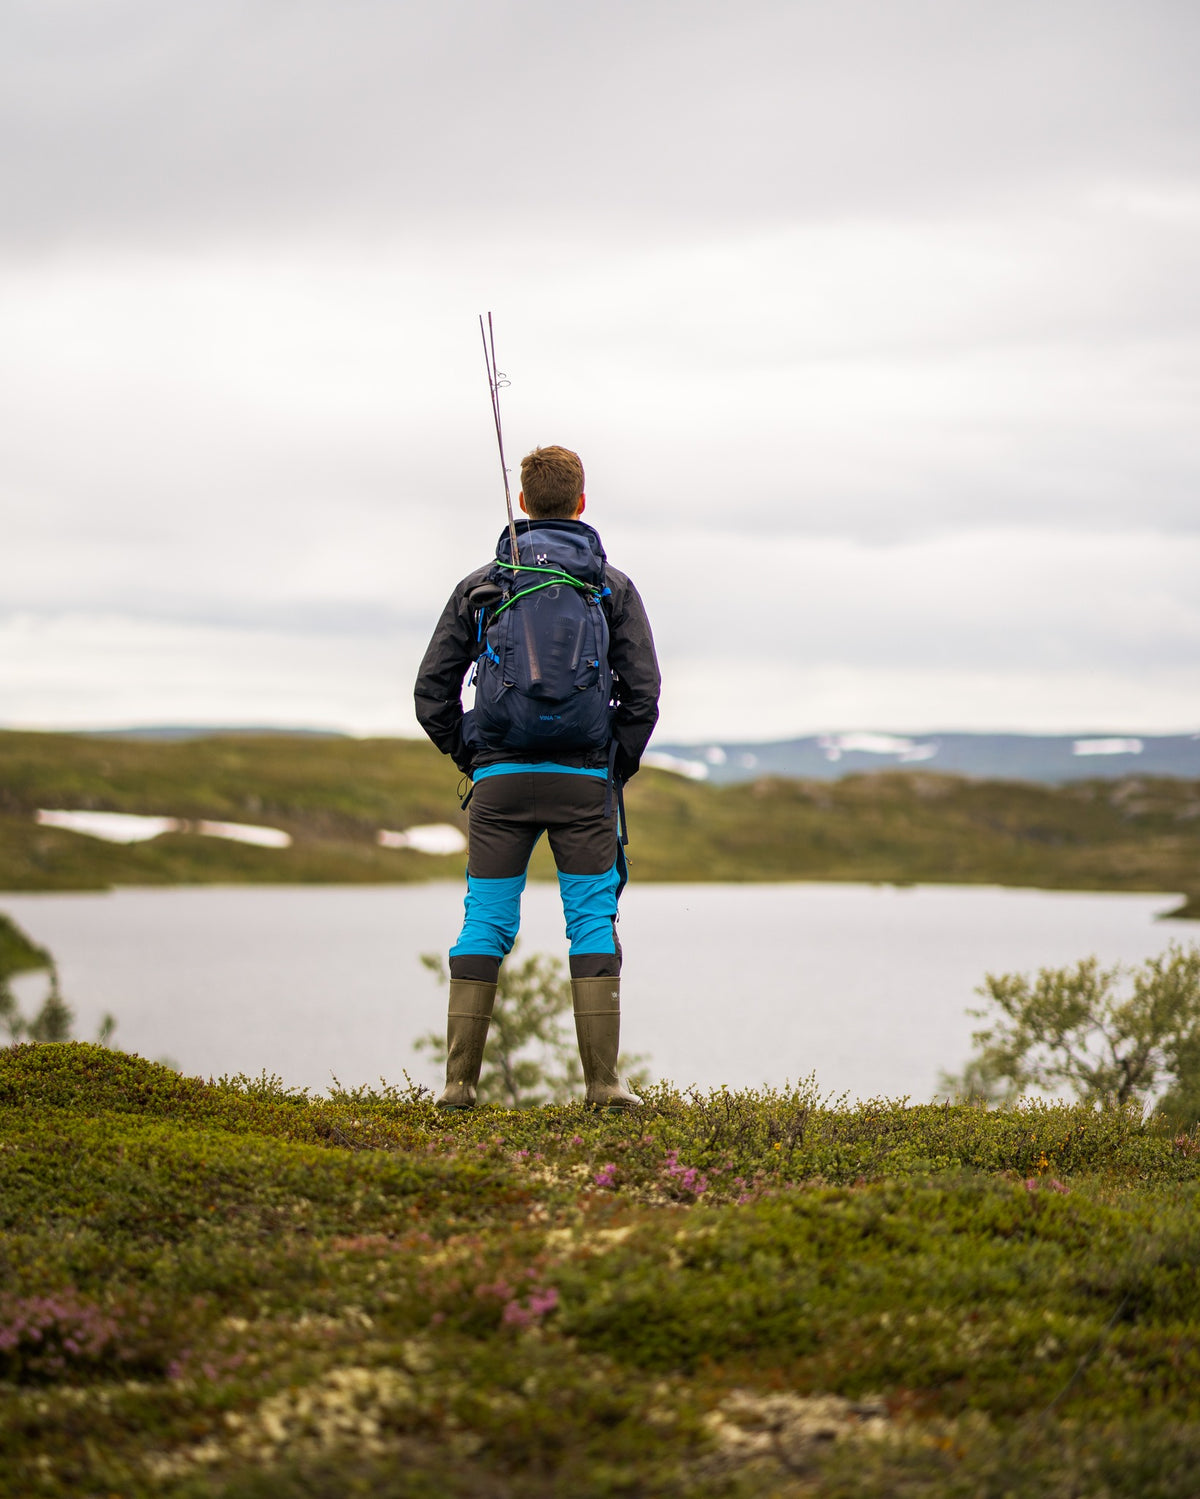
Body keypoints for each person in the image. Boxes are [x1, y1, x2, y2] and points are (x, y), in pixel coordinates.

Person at [414, 444, 661, 1110]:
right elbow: (643, 694)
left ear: (523, 502)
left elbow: (431, 692)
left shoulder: (481, 584)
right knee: (591, 922)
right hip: (583, 784)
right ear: (581, 503)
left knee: (485, 923)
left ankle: (459, 1085)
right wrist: (611, 769)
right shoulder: (611, 586)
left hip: (499, 784)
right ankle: (603, 1085)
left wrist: (477, 753)